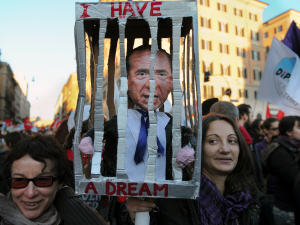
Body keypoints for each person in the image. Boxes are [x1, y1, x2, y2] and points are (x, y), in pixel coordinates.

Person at [80, 45, 195, 224]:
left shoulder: (168, 122)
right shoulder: (121, 121)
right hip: (123, 197)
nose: (152, 83)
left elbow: (185, 136)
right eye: (142, 73)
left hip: (165, 200)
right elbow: (103, 129)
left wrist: (187, 147)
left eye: (162, 74)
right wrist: (90, 138)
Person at [156, 113, 260, 225]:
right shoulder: (177, 200)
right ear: (197, 148)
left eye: (232, 141)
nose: (225, 149)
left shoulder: (246, 198)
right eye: (213, 141)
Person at [0, 135, 107, 225]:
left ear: (59, 183)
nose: (30, 193)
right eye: (19, 181)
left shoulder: (79, 216)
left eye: (43, 180)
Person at [261, 116, 300, 225]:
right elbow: (294, 178)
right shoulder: (279, 151)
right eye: (299, 127)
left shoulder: (294, 147)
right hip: (285, 208)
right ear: (289, 131)